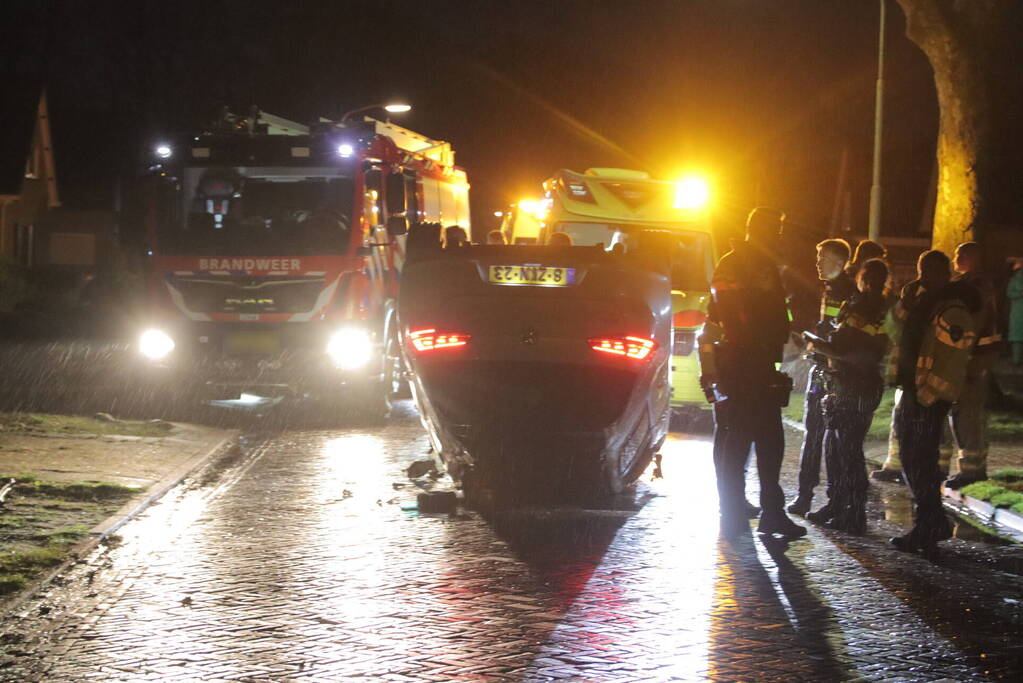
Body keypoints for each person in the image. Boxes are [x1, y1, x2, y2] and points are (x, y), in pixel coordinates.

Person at [699, 207, 805, 540]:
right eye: (775, 228)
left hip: (757, 363)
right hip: (742, 364)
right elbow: (729, 315)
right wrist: (754, 343)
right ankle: (735, 510)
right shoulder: (734, 263)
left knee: (768, 439)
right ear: (757, 229)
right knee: (741, 437)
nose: (778, 236)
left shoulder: (762, 264)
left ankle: (768, 512)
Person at [890, 250, 980, 559]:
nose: (924, 279)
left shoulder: (952, 310)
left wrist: (930, 395)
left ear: (945, 275)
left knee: (921, 461)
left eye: (930, 273)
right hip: (914, 393)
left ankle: (929, 526)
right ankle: (930, 522)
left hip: (928, 398)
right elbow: (895, 326)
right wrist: (907, 298)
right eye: (921, 272)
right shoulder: (925, 303)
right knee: (913, 459)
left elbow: (953, 361)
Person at [805, 259, 890, 534]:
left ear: (863, 279)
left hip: (850, 384)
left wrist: (816, 343)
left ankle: (852, 512)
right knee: (844, 446)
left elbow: (841, 346)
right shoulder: (888, 308)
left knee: (846, 450)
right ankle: (842, 506)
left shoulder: (859, 306)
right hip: (870, 385)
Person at [787, 238, 857, 516]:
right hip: (823, 369)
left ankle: (829, 499)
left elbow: (840, 335)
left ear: (838, 262)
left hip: (834, 373)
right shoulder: (831, 289)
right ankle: (811, 496)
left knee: (824, 437)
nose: (817, 262)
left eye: (822, 257)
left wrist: (817, 341)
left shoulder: (848, 293)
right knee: (816, 435)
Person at [870, 250, 940, 483]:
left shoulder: (936, 297)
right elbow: (895, 323)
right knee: (903, 419)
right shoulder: (915, 293)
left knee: (921, 424)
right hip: (911, 370)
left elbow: (897, 323)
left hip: (923, 371)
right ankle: (900, 466)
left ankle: (921, 471)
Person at [944, 242, 999, 489]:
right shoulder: (979, 285)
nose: (955, 258)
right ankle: (971, 468)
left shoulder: (974, 287)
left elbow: (970, 326)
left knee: (967, 416)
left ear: (968, 258)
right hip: (974, 360)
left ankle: (972, 472)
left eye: (958, 255)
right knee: (965, 414)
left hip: (972, 362)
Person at [1008, 260, 1023, 365]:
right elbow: (1009, 293)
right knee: (1017, 337)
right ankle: (1016, 359)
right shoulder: (1014, 280)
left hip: (1018, 311)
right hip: (1018, 312)